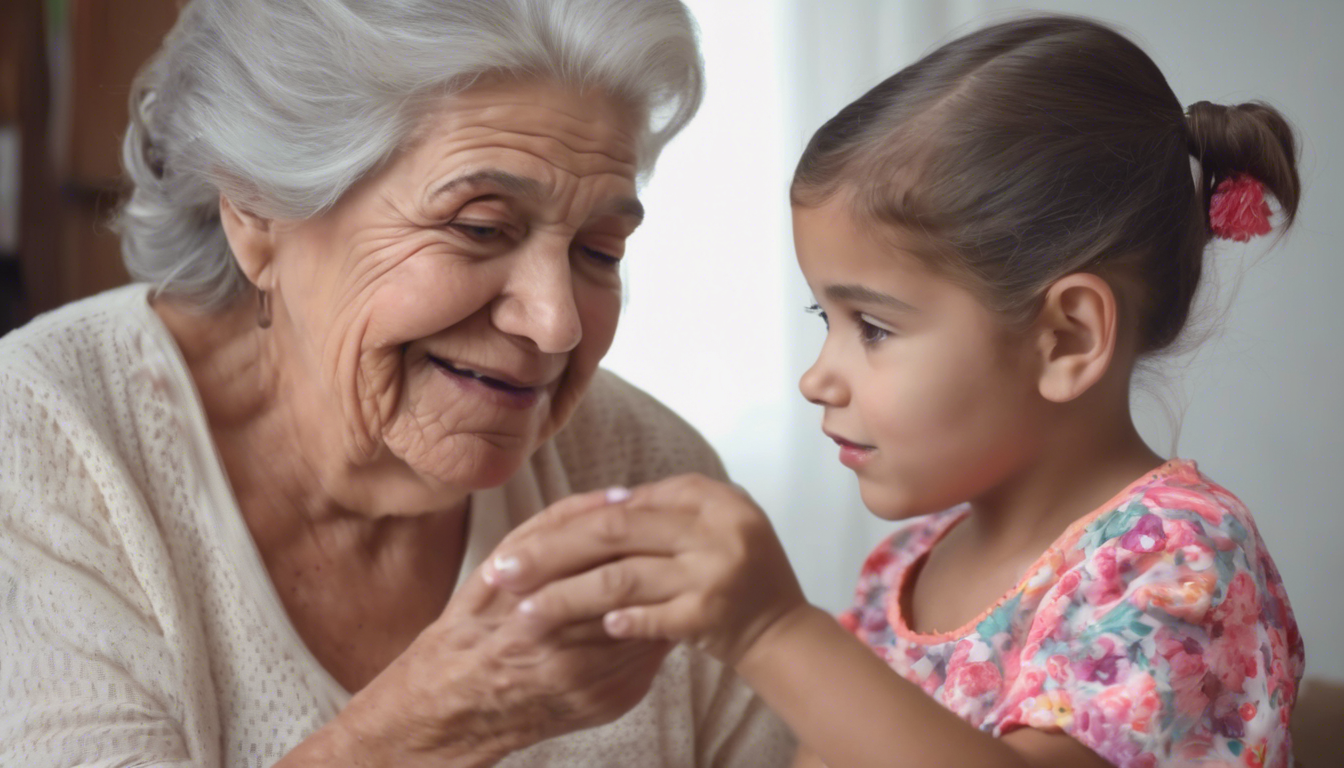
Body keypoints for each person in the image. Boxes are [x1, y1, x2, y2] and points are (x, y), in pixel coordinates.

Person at [481, 15, 1305, 768]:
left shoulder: (1177, 558)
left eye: (872, 326)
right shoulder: (904, 570)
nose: (817, 377)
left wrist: (772, 631)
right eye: (823, 316)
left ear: (1069, 339)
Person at [0, 0, 797, 765]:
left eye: (599, 251)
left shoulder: (642, 466)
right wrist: (434, 727)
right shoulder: (42, 441)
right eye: (480, 228)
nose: (556, 324)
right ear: (257, 212)